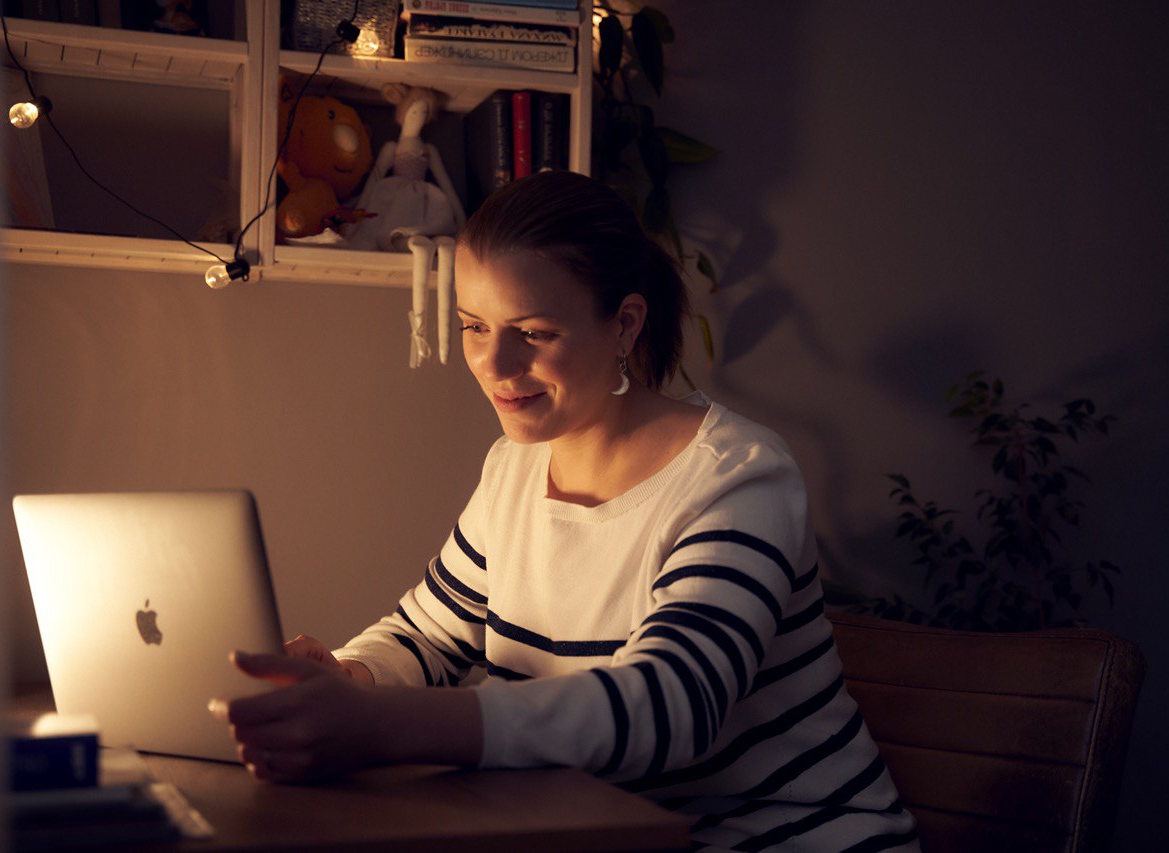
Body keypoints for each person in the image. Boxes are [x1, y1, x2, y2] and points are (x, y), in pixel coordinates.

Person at [210, 170, 920, 852]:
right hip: (602, 833)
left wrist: (383, 726)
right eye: (474, 326)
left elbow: (671, 706)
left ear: (624, 325)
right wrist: (348, 676)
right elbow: (427, 634)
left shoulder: (740, 480)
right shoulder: (515, 468)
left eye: (534, 332)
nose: (494, 362)